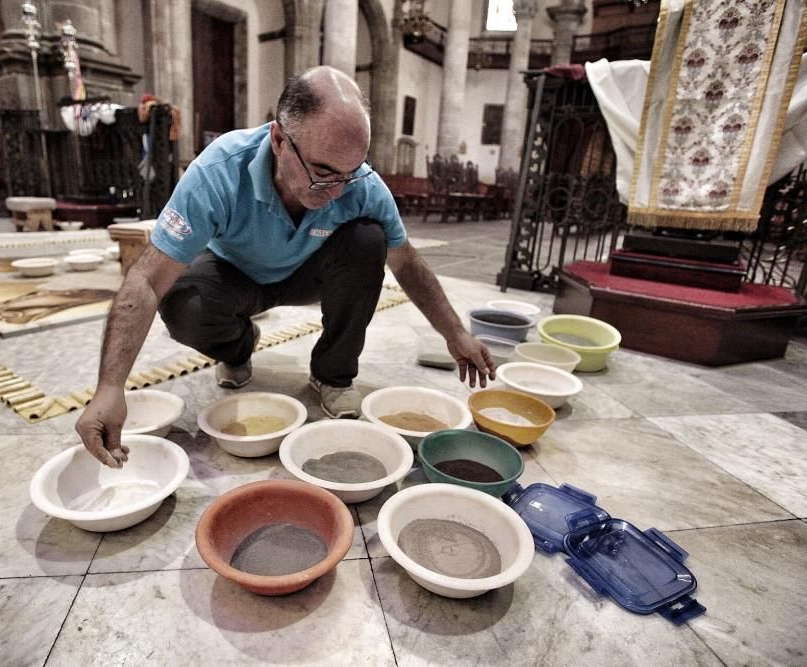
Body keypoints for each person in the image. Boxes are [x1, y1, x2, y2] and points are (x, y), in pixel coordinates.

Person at [76, 66, 495, 468]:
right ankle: (239, 346)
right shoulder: (219, 171)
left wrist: (455, 332)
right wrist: (110, 388)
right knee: (184, 304)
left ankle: (332, 375)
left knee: (369, 239)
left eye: (349, 175)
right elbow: (147, 279)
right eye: (323, 172)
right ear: (278, 139)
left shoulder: (360, 185)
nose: (334, 191)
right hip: (234, 273)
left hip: (306, 274)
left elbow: (407, 264)